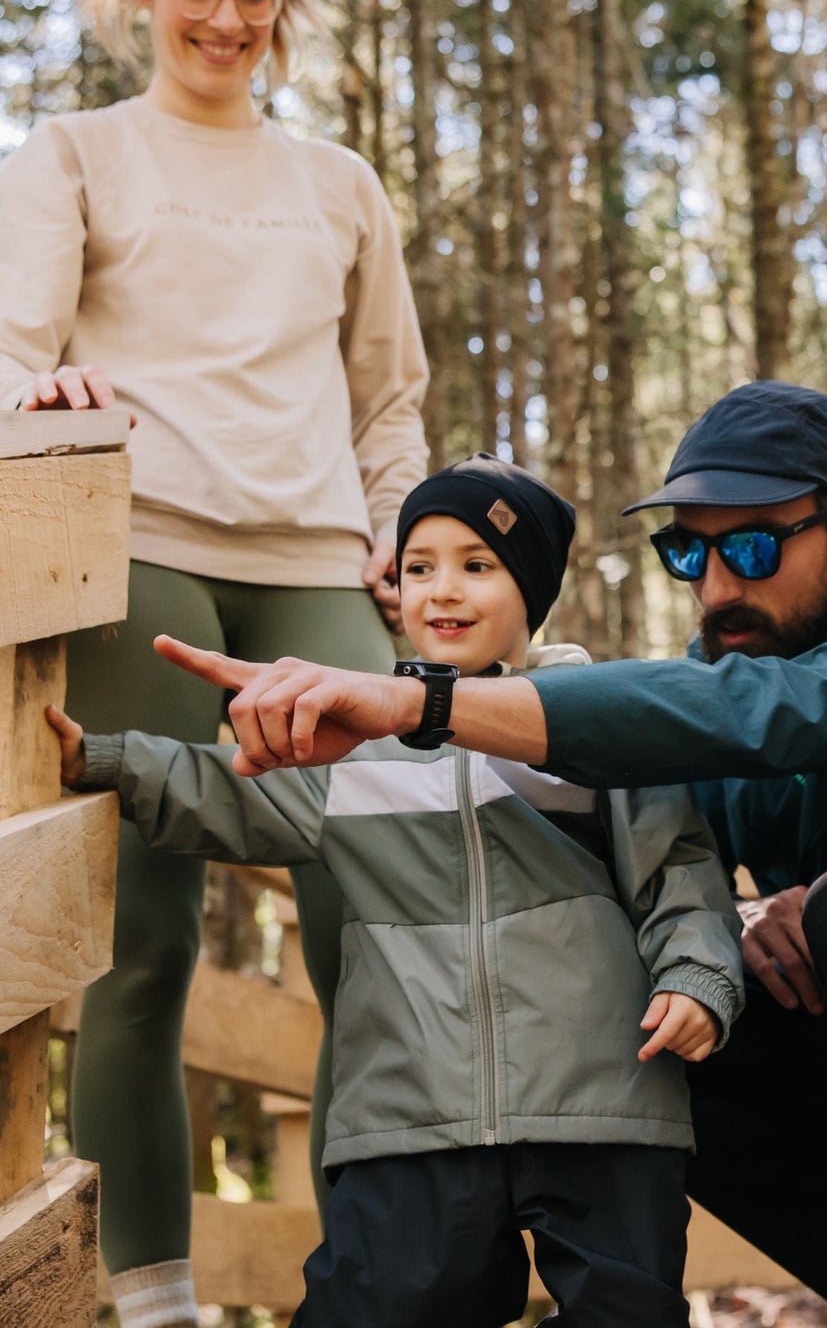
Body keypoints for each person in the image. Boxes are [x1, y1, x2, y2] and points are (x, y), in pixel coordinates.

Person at [151, 380, 827, 1324]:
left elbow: (782, 712)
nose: (717, 586)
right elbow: (654, 879)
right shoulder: (734, 651)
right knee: (649, 1013)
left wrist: (423, 700)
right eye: (688, 550)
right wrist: (730, 929)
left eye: (754, 547)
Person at [0, 0, 430, 1320]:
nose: (227, 19)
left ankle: (391, 1270)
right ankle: (153, 1296)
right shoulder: (72, 155)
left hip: (317, 559)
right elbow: (8, 348)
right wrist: (39, 388)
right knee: (150, 939)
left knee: (371, 913)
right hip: (144, 545)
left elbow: (392, 398)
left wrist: (393, 533)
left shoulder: (340, 183)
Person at [49, 454, 744, 1328]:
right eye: (419, 566)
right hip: (412, 1119)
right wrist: (101, 759)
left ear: (530, 589)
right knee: (372, 1306)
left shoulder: (590, 727)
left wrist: (698, 979)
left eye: (475, 565)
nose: (441, 590)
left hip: (598, 1103)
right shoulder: (356, 745)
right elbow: (222, 789)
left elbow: (680, 872)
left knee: (628, 1312)